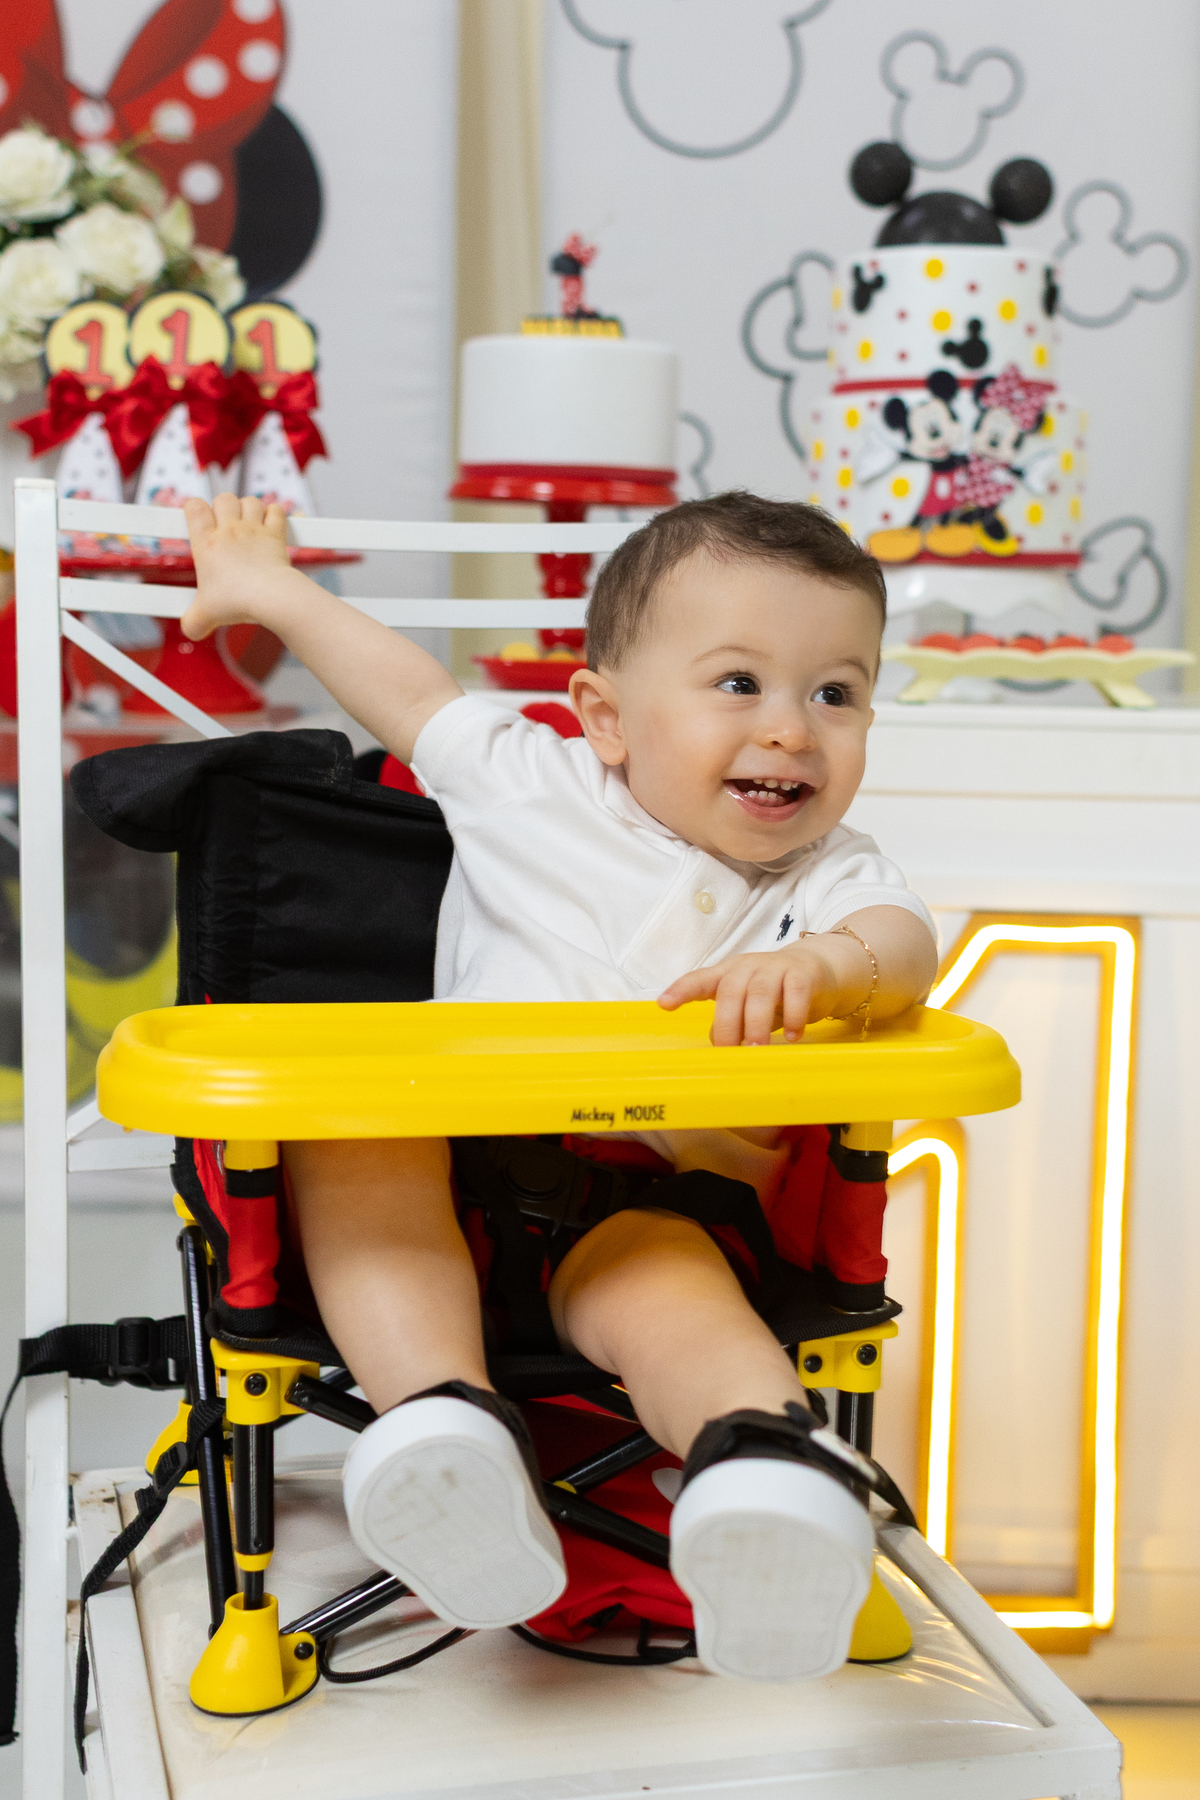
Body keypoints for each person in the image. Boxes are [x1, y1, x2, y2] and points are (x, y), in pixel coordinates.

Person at [181, 489, 938, 1683]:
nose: (793, 730)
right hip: (444, 1173)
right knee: (351, 1136)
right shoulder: (532, 784)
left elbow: (906, 943)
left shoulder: (828, 877)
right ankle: (447, 1433)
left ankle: (767, 1483)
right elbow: (407, 692)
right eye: (740, 683)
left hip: (642, 1202)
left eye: (835, 694)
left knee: (674, 1294)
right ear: (606, 717)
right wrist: (269, 590)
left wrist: (830, 967)